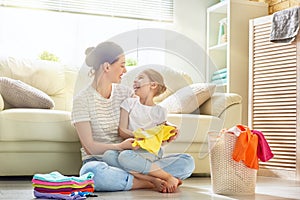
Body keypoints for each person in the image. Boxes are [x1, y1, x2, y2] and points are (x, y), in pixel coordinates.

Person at [71, 41, 195, 192]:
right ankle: (153, 180)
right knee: (94, 174)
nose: (125, 70)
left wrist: (165, 129)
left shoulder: (125, 93)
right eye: (122, 65)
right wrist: (119, 146)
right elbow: (90, 148)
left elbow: (143, 114)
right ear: (107, 67)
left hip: (132, 158)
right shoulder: (82, 100)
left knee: (187, 162)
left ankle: (137, 178)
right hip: (102, 160)